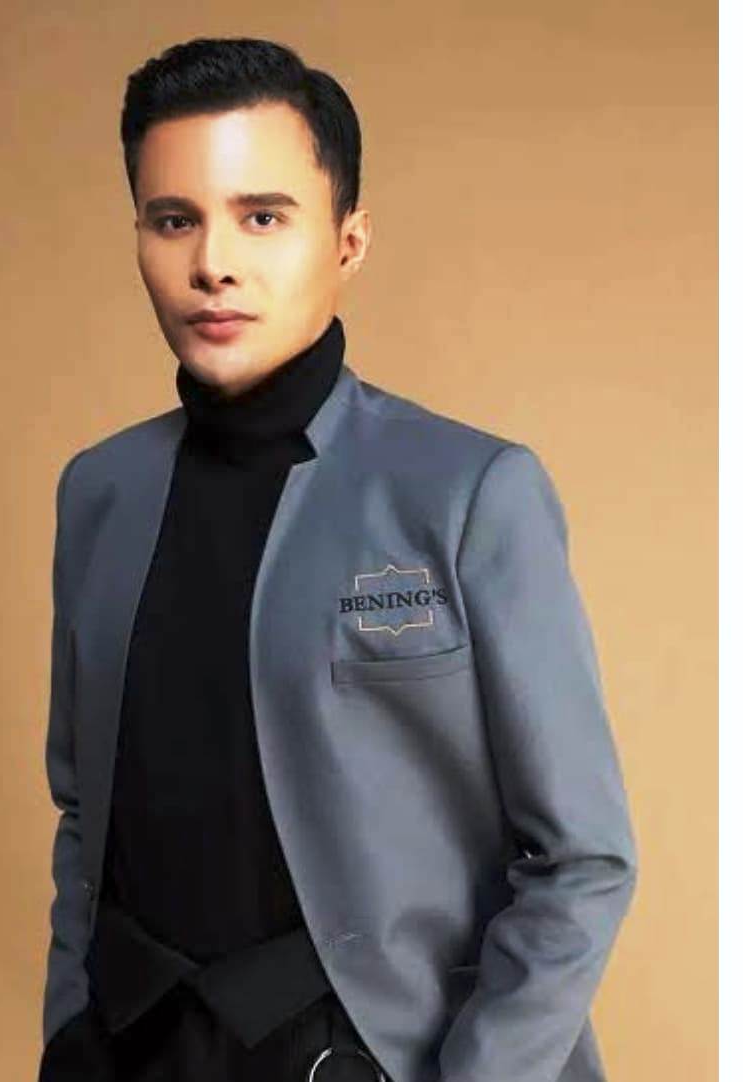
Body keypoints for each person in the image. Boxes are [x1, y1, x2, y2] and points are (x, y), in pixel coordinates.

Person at [37, 36, 638, 1082]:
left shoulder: (471, 492)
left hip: (371, 1056)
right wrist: (65, 1031)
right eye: (174, 219)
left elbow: (581, 858)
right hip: (135, 1052)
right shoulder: (100, 491)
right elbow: (83, 812)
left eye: (262, 217)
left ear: (348, 241)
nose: (213, 263)